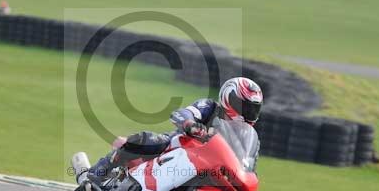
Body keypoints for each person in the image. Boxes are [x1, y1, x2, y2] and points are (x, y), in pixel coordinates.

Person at [87, 77, 263, 185]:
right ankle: (98, 172)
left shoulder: (247, 135)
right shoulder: (210, 107)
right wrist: (190, 125)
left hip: (207, 167)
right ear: (227, 97)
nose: (247, 113)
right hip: (180, 147)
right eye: (243, 106)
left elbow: (247, 161)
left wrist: (248, 177)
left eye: (252, 109)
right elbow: (183, 113)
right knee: (145, 140)